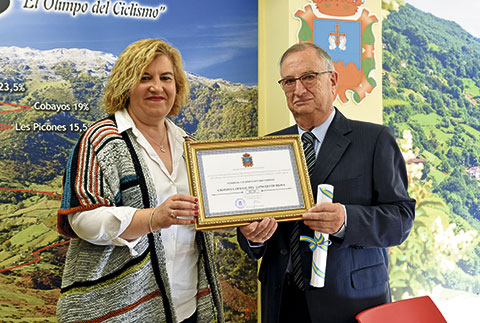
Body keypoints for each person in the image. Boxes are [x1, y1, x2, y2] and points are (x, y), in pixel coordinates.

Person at [237, 42, 416, 323]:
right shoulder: (267, 147)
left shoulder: (375, 140)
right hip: (282, 298)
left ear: (332, 80)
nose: (298, 89)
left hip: (350, 301)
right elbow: (253, 225)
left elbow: (401, 220)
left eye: (308, 77)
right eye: (289, 81)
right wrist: (252, 236)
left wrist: (346, 219)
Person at [56, 39, 224, 323]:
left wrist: (248, 221)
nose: (157, 87)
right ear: (126, 84)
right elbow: (82, 220)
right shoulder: (100, 140)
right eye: (144, 78)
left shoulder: (191, 147)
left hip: (187, 306)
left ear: (177, 86)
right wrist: (152, 218)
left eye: (165, 78)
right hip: (121, 309)